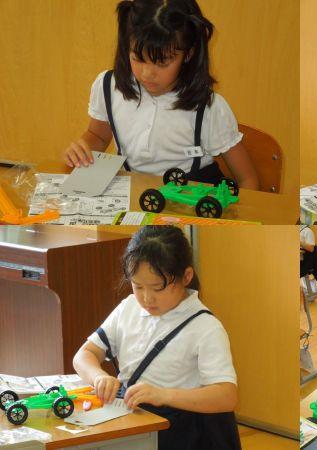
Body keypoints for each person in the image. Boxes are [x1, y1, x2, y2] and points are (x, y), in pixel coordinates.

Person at [73, 226, 241, 449]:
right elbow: (84, 354)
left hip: (178, 432)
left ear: (186, 276)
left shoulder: (205, 327)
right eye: (137, 286)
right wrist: (98, 377)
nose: (146, 298)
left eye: (157, 288)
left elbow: (226, 396)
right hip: (132, 422)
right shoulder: (128, 307)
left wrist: (163, 395)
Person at [64, 0, 259, 190]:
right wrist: (82, 151)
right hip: (134, 193)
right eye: (138, 58)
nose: (147, 74)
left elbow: (247, 179)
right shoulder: (109, 86)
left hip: (191, 197)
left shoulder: (208, 106)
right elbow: (98, 136)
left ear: (188, 54)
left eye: (162, 63)